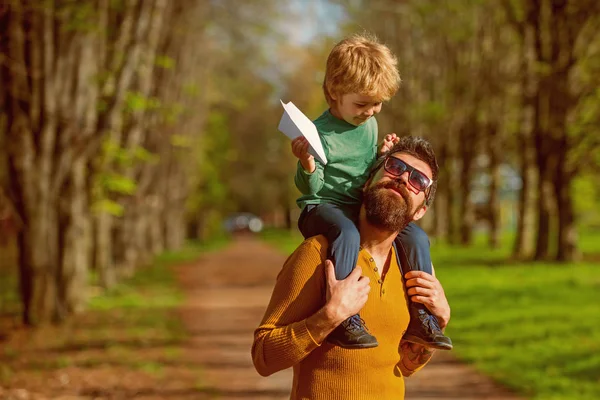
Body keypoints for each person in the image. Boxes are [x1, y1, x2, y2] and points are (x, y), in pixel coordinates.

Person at [252, 136, 451, 399]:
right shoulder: (318, 254)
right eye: (394, 167)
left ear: (420, 212)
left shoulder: (413, 271)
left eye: (418, 181)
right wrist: (329, 317)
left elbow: (403, 366)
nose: (403, 178)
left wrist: (440, 320)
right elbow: (263, 357)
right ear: (367, 182)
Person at [290, 33, 451, 350]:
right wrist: (307, 163)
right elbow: (313, 187)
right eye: (363, 104)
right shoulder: (319, 133)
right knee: (347, 234)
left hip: (356, 206)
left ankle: (422, 317)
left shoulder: (369, 125)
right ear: (336, 92)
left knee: (416, 236)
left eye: (378, 104)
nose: (371, 111)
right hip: (324, 207)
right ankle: (346, 318)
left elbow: (365, 175)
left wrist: (381, 156)